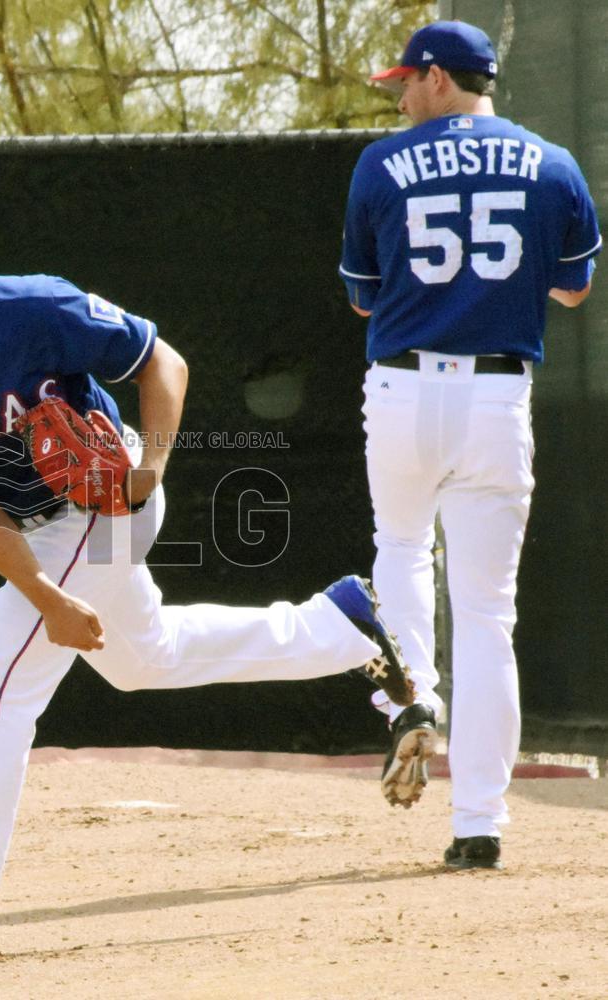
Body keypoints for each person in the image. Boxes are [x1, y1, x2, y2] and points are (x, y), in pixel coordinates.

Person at [0, 189, 413, 973]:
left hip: (108, 499)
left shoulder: (28, 308)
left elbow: (161, 362)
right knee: (142, 659)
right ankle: (339, 625)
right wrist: (47, 600)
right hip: (38, 529)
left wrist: (149, 467)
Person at [339, 20, 601, 870]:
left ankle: (412, 701)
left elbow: (362, 300)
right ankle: (479, 823)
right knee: (488, 615)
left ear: (442, 79)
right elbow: (572, 289)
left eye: (408, 82)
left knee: (401, 548)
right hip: (495, 394)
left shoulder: (382, 163)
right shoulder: (551, 161)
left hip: (404, 390)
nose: (402, 95)